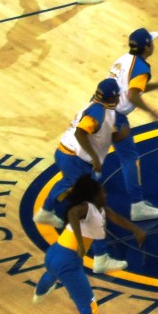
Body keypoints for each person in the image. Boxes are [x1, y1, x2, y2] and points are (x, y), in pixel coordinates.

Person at [32, 175, 146, 314]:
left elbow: (116, 218)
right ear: (93, 195)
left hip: (55, 253)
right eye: (101, 192)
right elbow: (73, 213)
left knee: (52, 273)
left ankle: (39, 293)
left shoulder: (100, 209)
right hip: (68, 259)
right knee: (89, 308)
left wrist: (136, 230)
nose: (105, 194)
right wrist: (80, 241)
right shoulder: (85, 207)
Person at [33, 79, 128, 228]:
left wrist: (119, 136)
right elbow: (80, 133)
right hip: (73, 158)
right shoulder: (97, 113)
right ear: (112, 97)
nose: (119, 98)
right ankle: (90, 231)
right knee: (92, 195)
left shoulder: (100, 107)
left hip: (66, 153)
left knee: (68, 182)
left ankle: (45, 212)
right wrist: (95, 158)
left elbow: (99, 136)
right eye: (117, 95)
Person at [108, 28, 158, 220]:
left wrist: (155, 85)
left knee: (92, 157)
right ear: (147, 47)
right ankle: (137, 206)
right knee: (129, 158)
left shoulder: (123, 60)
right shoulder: (141, 68)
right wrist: (151, 111)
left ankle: (63, 198)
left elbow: (130, 87)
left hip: (100, 109)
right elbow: (132, 95)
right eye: (152, 42)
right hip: (115, 117)